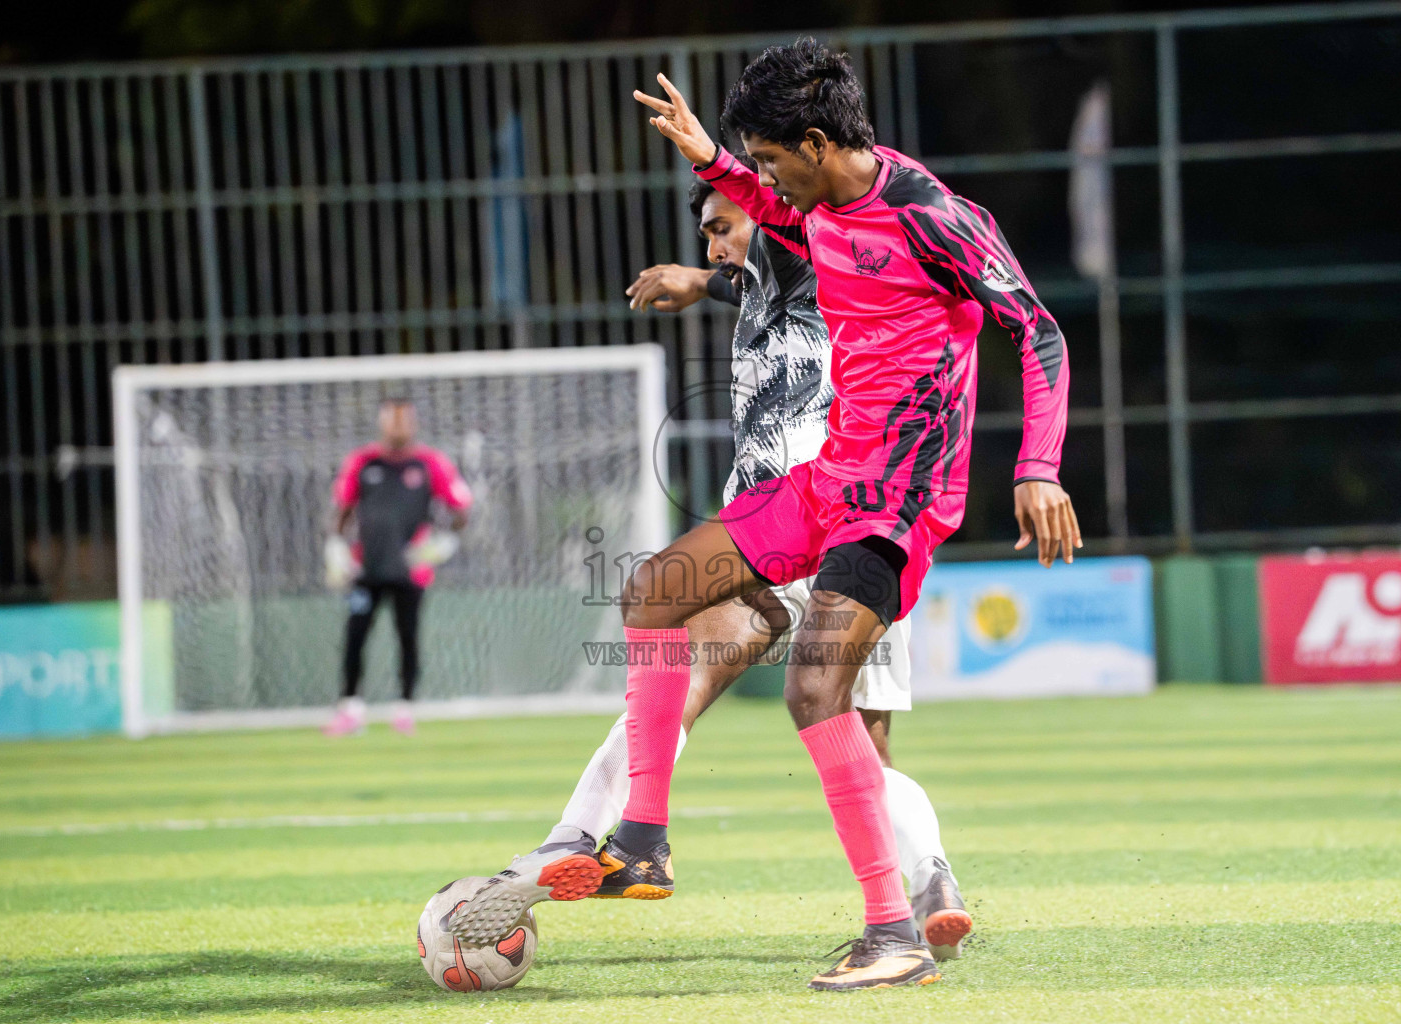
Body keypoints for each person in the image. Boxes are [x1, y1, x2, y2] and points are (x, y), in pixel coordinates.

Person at [454, 39, 1081, 991]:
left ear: (820, 144)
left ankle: (894, 932)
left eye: (774, 159)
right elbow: (764, 233)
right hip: (827, 479)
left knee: (815, 695)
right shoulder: (821, 209)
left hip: (899, 497)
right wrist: (710, 157)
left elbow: (1036, 327)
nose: (765, 180)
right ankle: (642, 844)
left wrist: (1038, 466)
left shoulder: (935, 219)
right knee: (656, 591)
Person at [323, 397, 472, 736]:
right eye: (392, 419)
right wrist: (335, 547)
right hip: (365, 568)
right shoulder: (362, 462)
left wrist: (443, 542)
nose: (398, 426)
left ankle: (404, 709)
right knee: (355, 637)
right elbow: (342, 511)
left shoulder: (431, 463)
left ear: (414, 423)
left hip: (410, 570)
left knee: (408, 637)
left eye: (404, 419)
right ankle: (350, 708)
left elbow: (460, 510)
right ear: (381, 422)